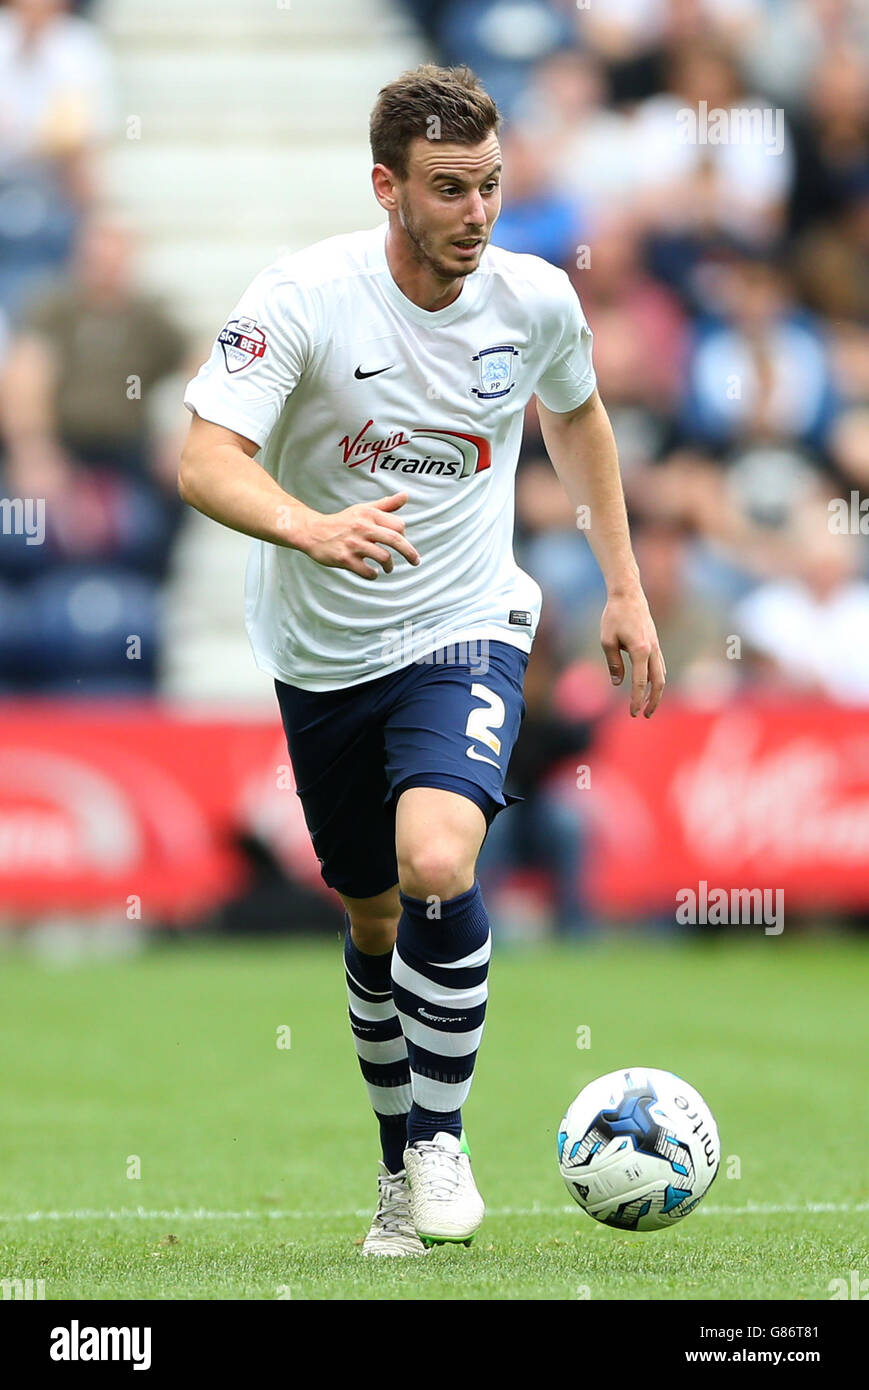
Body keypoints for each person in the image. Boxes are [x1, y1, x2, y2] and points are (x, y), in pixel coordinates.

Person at [178, 64, 665, 1257]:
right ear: (388, 185)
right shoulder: (304, 296)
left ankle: (440, 1141)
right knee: (374, 917)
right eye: (450, 189)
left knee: (438, 852)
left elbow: (580, 415)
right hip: (320, 647)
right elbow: (203, 458)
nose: (477, 213)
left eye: (492, 186)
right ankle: (398, 1166)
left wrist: (623, 584)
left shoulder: (536, 300)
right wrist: (312, 525)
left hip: (466, 621)